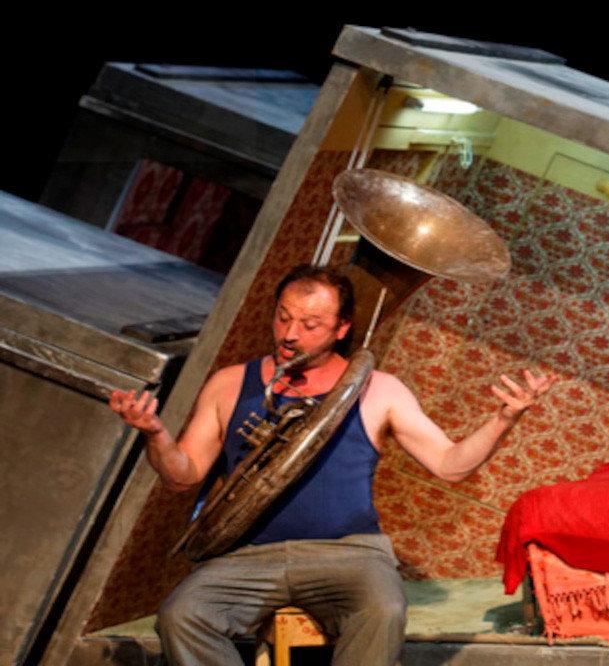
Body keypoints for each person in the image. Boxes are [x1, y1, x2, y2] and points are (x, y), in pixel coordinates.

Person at [109, 264, 553, 666]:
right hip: (247, 554)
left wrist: (504, 419)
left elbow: (450, 465)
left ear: (341, 328)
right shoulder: (230, 383)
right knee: (183, 614)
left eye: (310, 325)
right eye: (283, 318)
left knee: (384, 609)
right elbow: (182, 476)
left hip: (348, 553)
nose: (290, 334)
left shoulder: (379, 390)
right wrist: (155, 433)